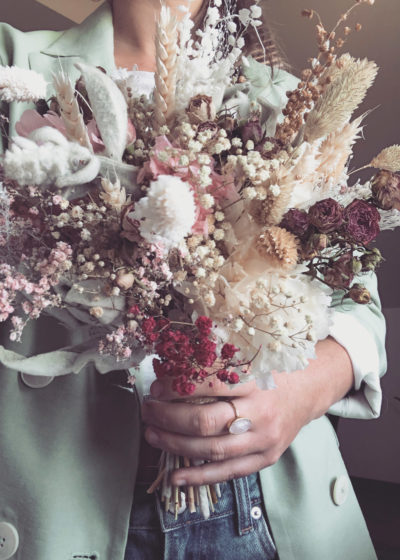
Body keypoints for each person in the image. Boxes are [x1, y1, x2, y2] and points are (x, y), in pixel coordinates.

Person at [0, 1, 387, 559]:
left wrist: (296, 396)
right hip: (69, 504)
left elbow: (357, 306)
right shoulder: (15, 61)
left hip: (264, 501)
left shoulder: (284, 96)